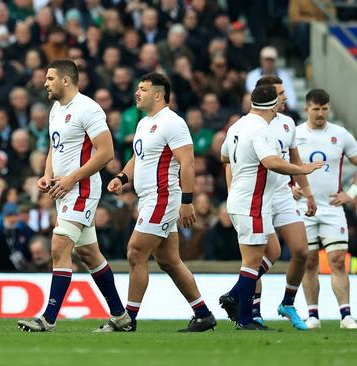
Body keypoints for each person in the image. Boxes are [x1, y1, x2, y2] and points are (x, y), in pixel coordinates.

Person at [17, 60, 129, 332]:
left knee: (58, 246)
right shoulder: (56, 109)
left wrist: (70, 178)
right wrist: (47, 173)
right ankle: (121, 316)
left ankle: (48, 318)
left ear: (66, 80)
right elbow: (55, 148)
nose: (45, 83)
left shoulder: (88, 109)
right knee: (89, 254)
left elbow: (106, 153)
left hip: (83, 188)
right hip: (64, 189)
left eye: (50, 78)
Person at [107, 72, 216, 332]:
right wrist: (122, 177)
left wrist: (187, 201)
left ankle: (128, 320)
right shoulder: (145, 122)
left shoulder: (172, 122)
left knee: (136, 251)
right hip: (148, 198)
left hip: (163, 196)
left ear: (158, 95)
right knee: (168, 261)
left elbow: (187, 162)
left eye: (142, 89)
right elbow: (138, 157)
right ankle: (203, 314)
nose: (137, 92)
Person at [220, 84, 321, 330]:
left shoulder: (238, 125)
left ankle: (235, 298)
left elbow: (224, 156)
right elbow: (271, 161)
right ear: (273, 105)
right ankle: (245, 319)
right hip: (251, 202)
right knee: (252, 262)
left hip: (249, 200)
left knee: (271, 251)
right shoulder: (260, 129)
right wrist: (302, 169)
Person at [295, 89, 357, 329]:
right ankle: (313, 315)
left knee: (338, 260)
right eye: (315, 109)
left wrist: (350, 194)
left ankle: (346, 316)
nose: (320, 114)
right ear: (306, 109)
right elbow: (279, 166)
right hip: (303, 208)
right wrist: (291, 188)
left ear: (329, 108)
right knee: (309, 261)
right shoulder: (296, 134)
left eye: (324, 109)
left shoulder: (341, 135)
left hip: (332, 208)